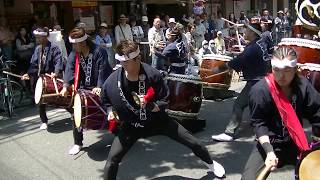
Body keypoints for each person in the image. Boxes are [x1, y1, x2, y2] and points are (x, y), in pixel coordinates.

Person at [101, 40, 225, 180]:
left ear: (138, 58)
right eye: (121, 62)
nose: (123, 66)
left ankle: (210, 163)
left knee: (193, 141)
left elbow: (164, 100)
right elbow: (105, 99)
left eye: (127, 62)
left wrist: (152, 106)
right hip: (132, 125)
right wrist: (111, 111)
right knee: (112, 160)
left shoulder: (153, 75)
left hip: (158, 121)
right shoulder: (113, 81)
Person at [242, 47, 320, 179]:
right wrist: (269, 152)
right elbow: (259, 124)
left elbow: (317, 113)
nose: (281, 76)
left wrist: (317, 142)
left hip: (295, 141)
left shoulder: (303, 86)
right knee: (248, 178)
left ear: (296, 70)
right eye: (276, 70)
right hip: (269, 142)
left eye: (287, 70)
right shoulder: (260, 90)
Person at [211, 23, 270, 142]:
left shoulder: (252, 48)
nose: (244, 32)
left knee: (240, 104)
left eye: (247, 30)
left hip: (256, 82)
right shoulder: (260, 44)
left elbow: (237, 62)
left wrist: (217, 69)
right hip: (264, 80)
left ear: (253, 33)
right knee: (257, 108)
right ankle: (261, 133)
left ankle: (230, 133)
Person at [61, 27, 113, 155]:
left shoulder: (99, 51)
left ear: (83, 43)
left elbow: (103, 70)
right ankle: (78, 143)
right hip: (83, 88)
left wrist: (99, 86)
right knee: (76, 114)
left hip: (100, 86)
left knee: (109, 113)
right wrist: (66, 85)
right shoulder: (75, 53)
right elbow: (70, 69)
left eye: (75, 44)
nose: (73, 47)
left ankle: (121, 131)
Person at [21, 27, 63, 130]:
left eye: (39, 38)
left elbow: (58, 61)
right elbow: (34, 64)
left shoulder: (54, 48)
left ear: (45, 37)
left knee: (60, 98)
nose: (37, 40)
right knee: (40, 100)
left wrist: (56, 73)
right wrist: (28, 74)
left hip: (51, 76)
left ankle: (70, 111)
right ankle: (44, 120)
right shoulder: (38, 49)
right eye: (36, 38)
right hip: (40, 77)